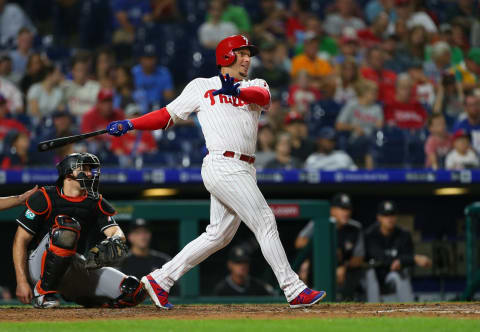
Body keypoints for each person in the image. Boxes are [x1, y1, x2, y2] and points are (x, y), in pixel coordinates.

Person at [106, 34, 326, 309]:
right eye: (242, 53)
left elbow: (264, 97)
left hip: (246, 167)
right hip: (222, 163)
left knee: (218, 235)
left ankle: (160, 279)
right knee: (265, 220)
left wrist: (236, 91)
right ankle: (293, 288)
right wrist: (130, 123)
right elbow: (167, 115)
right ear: (226, 56)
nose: (247, 59)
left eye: (249, 55)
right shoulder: (202, 86)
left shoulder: (255, 84)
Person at [12, 153, 147, 308]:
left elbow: (116, 232)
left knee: (133, 290)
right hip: (39, 266)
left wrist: (115, 239)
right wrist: (21, 281)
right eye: (84, 168)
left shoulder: (95, 201)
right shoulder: (44, 196)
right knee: (66, 229)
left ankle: (86, 301)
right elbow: (19, 241)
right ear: (68, 174)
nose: (90, 173)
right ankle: (43, 293)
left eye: (91, 169)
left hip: (75, 264)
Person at [295, 193, 365, 301]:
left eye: (348, 209)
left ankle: (348, 297)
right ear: (332, 210)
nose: (345, 213)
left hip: (345, 272)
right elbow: (299, 242)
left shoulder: (355, 228)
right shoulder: (321, 222)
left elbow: (359, 259)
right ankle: (314, 291)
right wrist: (326, 247)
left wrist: (344, 266)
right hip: (320, 268)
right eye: (342, 209)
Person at [365, 200, 432, 302]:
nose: (389, 219)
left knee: (401, 274)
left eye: (392, 215)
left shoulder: (404, 235)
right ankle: (371, 312)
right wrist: (413, 258)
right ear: (379, 217)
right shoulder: (370, 234)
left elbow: (406, 257)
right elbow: (380, 257)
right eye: (386, 215)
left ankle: (408, 312)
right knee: (370, 273)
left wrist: (402, 261)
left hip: (393, 274)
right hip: (374, 275)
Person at [132, 44, 174, 113]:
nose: (149, 62)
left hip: (158, 107)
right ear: (140, 59)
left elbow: (169, 96)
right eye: (146, 58)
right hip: (137, 108)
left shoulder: (164, 72)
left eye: (151, 58)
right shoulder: (134, 72)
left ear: (156, 59)